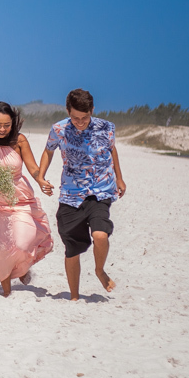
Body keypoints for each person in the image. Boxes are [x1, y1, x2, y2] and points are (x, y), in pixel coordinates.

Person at [38, 88, 126, 301]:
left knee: (100, 235)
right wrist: (41, 177)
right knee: (72, 248)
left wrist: (120, 178)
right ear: (68, 111)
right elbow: (49, 150)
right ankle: (74, 296)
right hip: (70, 194)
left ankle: (99, 270)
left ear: (92, 110)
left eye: (84, 117)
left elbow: (112, 150)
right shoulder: (58, 129)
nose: (80, 122)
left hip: (100, 190)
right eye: (75, 117)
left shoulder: (107, 128)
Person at [0, 102, 54, 296]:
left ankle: (21, 269)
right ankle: (6, 291)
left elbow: (33, 168)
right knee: (2, 248)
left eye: (6, 125)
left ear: (12, 123)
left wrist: (41, 180)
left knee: (23, 243)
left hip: (20, 199)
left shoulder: (20, 141)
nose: (2, 129)